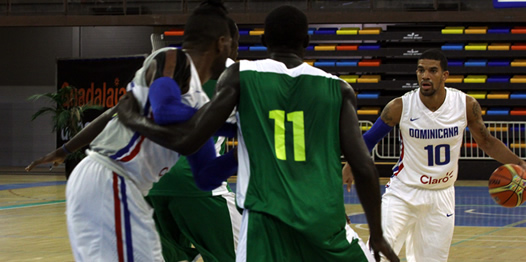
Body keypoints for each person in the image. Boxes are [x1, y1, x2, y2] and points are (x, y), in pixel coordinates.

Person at [116, 5, 399, 262]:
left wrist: (132, 119)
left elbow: (190, 139)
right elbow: (363, 166)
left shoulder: (240, 75)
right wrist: (376, 233)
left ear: (264, 41)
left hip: (264, 225)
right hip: (323, 222)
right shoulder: (339, 89)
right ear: (306, 42)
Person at [25, 1, 236, 261]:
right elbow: (166, 119)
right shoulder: (187, 67)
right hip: (124, 177)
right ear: (222, 43)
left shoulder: (185, 78)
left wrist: (65, 149)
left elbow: (112, 114)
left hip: (150, 187)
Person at [343, 48, 526, 262]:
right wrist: (351, 164)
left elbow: (486, 141)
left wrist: (519, 163)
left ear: (445, 75)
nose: (425, 76)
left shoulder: (465, 105)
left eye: (432, 70)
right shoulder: (400, 106)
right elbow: (370, 138)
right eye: (421, 70)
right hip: (403, 193)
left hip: (441, 196)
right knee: (376, 255)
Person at [146, 16, 241, 262]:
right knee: (244, 254)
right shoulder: (232, 71)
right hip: (196, 181)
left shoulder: (162, 66)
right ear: (225, 43)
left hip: (150, 181)